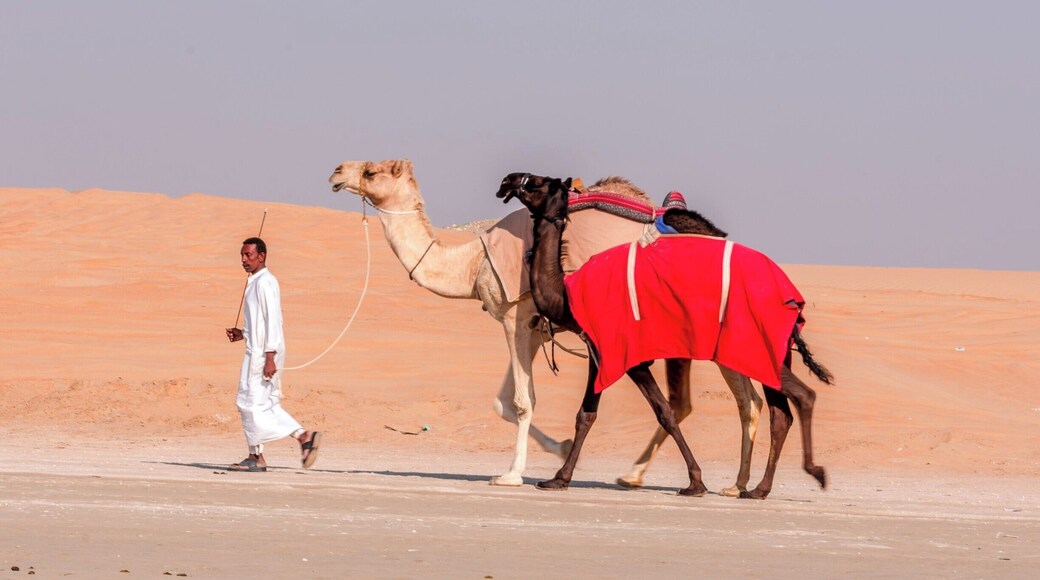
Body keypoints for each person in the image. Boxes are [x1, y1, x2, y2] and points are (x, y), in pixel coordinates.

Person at [225, 237, 321, 472]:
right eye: (242, 255)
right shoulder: (254, 281)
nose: (243, 260)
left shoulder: (266, 282)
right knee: (256, 402)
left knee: (251, 403)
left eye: (248, 255)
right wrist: (243, 334)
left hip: (263, 354)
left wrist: (270, 356)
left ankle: (292, 441)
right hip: (256, 350)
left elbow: (273, 321)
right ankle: (270, 449)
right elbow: (259, 323)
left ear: (262, 256)